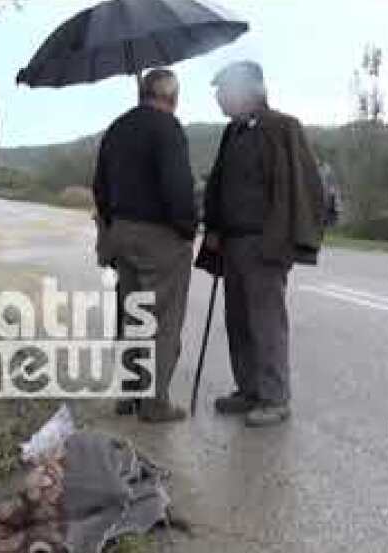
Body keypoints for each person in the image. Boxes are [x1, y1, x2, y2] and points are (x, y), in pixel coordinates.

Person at [201, 61, 326, 428]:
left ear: (247, 90)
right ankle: (249, 389)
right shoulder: (233, 132)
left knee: (266, 323)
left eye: (223, 91)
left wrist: (286, 241)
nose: (220, 98)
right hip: (233, 243)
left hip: (265, 244)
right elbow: (220, 185)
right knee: (237, 321)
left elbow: (305, 187)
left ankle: (275, 397)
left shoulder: (282, 127)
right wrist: (214, 225)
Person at [94, 69, 197, 423]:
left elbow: (100, 186)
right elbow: (178, 187)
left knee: (132, 315)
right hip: (159, 235)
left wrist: (112, 224)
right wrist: (187, 228)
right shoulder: (168, 128)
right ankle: (155, 403)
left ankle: (129, 394)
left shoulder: (117, 128)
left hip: (121, 230)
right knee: (163, 320)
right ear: (171, 95)